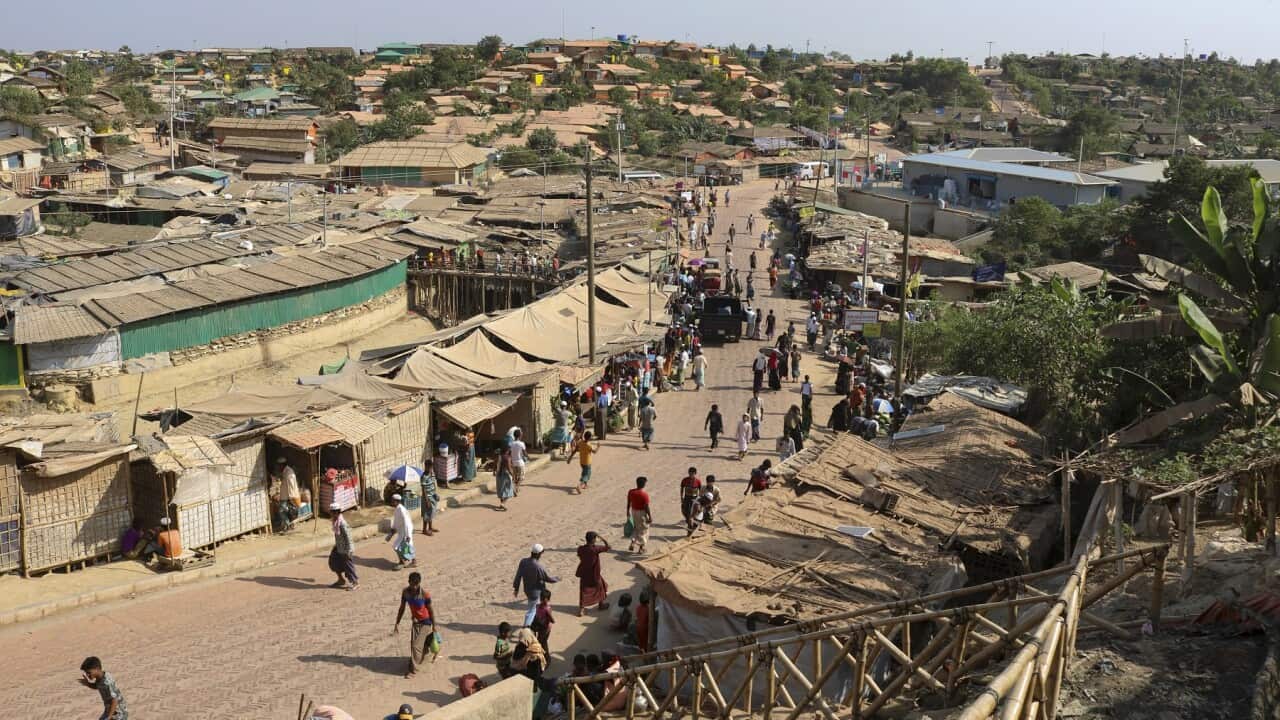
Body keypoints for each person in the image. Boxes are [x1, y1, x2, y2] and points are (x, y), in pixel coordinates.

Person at [394, 571, 437, 677]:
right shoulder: (405, 593)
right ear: (409, 582)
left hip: (426, 623)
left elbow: (431, 611)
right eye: (412, 583)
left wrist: (434, 625)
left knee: (416, 646)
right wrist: (397, 623)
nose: (414, 586)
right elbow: (402, 608)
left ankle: (413, 671)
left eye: (416, 584)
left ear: (419, 583)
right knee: (417, 645)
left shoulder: (425, 594)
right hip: (415, 622)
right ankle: (422, 658)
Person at [513, 543, 560, 627]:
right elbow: (547, 578)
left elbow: (518, 576)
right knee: (531, 611)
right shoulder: (538, 566)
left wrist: (516, 588)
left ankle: (533, 624)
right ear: (539, 554)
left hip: (527, 590)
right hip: (536, 593)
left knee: (535, 608)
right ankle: (526, 627)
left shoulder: (523, 561)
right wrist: (556, 579)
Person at [575, 531, 611, 616]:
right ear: (594, 540)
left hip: (584, 572)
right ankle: (601, 604)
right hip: (594, 573)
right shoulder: (595, 549)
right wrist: (601, 537)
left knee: (584, 590)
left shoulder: (581, 548)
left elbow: (579, 555)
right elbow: (608, 547)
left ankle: (582, 609)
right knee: (600, 587)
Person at [329, 504, 358, 590]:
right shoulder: (335, 522)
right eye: (331, 512)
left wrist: (349, 550)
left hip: (345, 549)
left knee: (348, 566)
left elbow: (348, 537)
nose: (332, 514)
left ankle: (355, 582)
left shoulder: (342, 524)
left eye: (334, 512)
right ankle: (341, 579)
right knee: (334, 562)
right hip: (338, 547)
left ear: (338, 512)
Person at [270, 457, 301, 531]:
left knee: (283, 511)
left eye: (279, 465)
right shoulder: (285, 471)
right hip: (285, 496)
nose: (278, 467)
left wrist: (291, 497)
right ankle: (289, 525)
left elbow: (291, 485)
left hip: (288, 496)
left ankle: (288, 526)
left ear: (282, 465)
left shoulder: (289, 473)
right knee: (286, 511)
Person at [385, 494, 416, 568]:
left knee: (401, 546)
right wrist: (393, 530)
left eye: (393, 501)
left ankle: (405, 562)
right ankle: (405, 561)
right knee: (403, 547)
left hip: (405, 531)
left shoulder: (401, 510)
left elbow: (407, 522)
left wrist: (408, 535)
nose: (391, 502)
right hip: (401, 531)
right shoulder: (397, 509)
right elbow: (396, 521)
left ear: (397, 501)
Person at [626, 476, 653, 554]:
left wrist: (627, 511)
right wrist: (650, 516)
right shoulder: (644, 495)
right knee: (644, 530)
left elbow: (628, 502)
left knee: (636, 527)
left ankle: (633, 542)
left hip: (634, 511)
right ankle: (641, 548)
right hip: (641, 513)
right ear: (644, 484)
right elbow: (646, 507)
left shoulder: (631, 492)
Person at [495, 441, 515, 511]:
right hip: (505, 475)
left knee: (501, 489)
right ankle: (502, 504)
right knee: (509, 490)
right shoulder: (507, 458)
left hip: (498, 475)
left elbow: (496, 465)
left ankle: (502, 503)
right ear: (507, 449)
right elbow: (509, 468)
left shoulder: (499, 456)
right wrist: (513, 475)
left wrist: (495, 472)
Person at [420, 470, 440, 536]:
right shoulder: (423, 477)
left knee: (431, 512)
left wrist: (436, 494)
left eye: (431, 467)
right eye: (428, 467)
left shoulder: (432, 474)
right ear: (426, 466)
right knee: (426, 513)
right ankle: (424, 530)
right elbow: (423, 490)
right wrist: (427, 500)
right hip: (427, 498)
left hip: (432, 496)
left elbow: (434, 484)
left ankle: (430, 527)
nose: (430, 469)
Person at [509, 428, 529, 496]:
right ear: (520, 435)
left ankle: (516, 488)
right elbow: (525, 453)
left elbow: (510, 453)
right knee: (521, 477)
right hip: (520, 463)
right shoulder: (521, 444)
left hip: (513, 462)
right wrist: (528, 457)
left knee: (515, 477)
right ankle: (516, 488)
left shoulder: (511, 444)